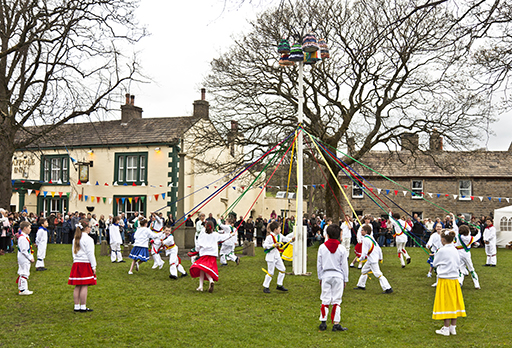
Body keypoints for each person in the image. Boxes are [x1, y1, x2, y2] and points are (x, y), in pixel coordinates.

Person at [432, 230, 466, 336]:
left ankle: (446, 328)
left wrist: (435, 255)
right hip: (454, 280)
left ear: (442, 239)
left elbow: (435, 263)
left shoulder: (442, 250)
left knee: (446, 302)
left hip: (445, 279)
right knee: (453, 302)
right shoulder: (455, 250)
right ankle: (453, 327)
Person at [317, 224, 349, 332]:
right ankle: (336, 323)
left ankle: (323, 322)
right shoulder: (342, 249)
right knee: (336, 300)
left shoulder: (322, 247)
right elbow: (344, 265)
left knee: (325, 298)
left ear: (327, 234)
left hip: (326, 275)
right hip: (338, 275)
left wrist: (320, 277)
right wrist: (345, 279)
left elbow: (319, 264)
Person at [189, 221, 234, 292]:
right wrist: (231, 235)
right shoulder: (215, 235)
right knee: (203, 268)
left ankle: (210, 281)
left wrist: (196, 250)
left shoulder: (202, 235)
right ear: (213, 228)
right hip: (213, 255)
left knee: (203, 268)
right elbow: (223, 237)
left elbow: (198, 244)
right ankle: (201, 286)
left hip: (205, 254)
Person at [354, 225, 393, 294]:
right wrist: (380, 258)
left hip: (372, 260)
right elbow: (379, 249)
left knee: (378, 274)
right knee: (364, 270)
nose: (361, 231)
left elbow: (364, 253)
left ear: (366, 231)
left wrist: (359, 259)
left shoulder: (366, 240)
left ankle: (388, 288)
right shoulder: (371, 238)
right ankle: (361, 285)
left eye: (362, 230)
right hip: (371, 259)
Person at [68, 219, 97, 312]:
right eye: (90, 227)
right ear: (87, 228)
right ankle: (83, 306)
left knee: (77, 286)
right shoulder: (88, 239)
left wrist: (75, 260)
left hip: (76, 263)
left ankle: (76, 306)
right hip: (85, 263)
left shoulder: (76, 238)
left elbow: (73, 252)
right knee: (84, 285)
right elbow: (90, 254)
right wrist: (94, 266)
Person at [262, 221, 295, 293]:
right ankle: (266, 286)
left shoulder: (280, 235)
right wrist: (273, 245)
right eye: (279, 228)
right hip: (270, 257)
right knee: (271, 273)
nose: (280, 230)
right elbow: (264, 245)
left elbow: (285, 239)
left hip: (277, 257)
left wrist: (291, 239)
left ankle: (279, 285)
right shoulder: (269, 237)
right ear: (275, 229)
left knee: (283, 269)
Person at [455, 225, 481, 289]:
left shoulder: (458, 236)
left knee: (461, 268)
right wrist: (479, 230)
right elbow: (478, 236)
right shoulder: (470, 238)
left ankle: (460, 282)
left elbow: (455, 228)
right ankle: (476, 284)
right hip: (466, 254)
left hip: (458, 253)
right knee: (471, 269)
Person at [17, 221, 35, 295]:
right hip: (24, 257)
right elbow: (24, 250)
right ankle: (22, 289)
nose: (30, 229)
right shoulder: (22, 238)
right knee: (24, 272)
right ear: (25, 228)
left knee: (25, 271)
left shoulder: (26, 237)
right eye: (29, 228)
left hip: (25, 257)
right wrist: (30, 257)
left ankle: (23, 288)